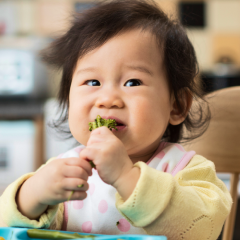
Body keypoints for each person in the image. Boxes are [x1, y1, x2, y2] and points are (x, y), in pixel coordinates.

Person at [0, 0, 232, 239]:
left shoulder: (186, 171)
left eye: (132, 82)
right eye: (92, 82)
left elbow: (202, 229)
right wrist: (33, 195)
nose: (108, 99)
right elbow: (9, 224)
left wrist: (126, 176)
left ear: (176, 106)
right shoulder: (64, 171)